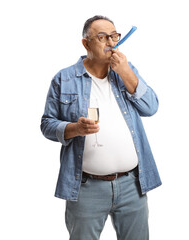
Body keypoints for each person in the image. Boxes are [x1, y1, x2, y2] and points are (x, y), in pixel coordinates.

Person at [40, 15, 161, 240]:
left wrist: (125, 72)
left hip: (132, 185)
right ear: (86, 43)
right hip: (86, 189)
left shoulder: (126, 70)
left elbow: (151, 107)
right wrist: (74, 128)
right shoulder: (64, 78)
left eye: (114, 36)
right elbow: (47, 124)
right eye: (102, 37)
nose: (110, 42)